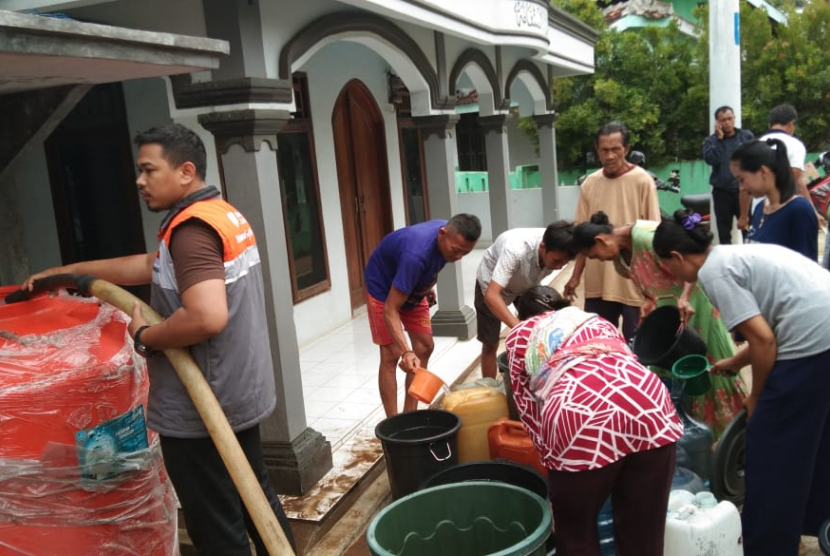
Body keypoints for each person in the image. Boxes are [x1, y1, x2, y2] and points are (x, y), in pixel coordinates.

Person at [23, 124, 294, 556]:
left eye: (149, 170)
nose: (139, 181)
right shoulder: (219, 214)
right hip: (238, 392)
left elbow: (206, 316)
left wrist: (147, 334)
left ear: (185, 171)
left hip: (203, 402)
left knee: (217, 525)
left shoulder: (190, 230)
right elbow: (149, 265)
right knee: (253, 498)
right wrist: (69, 273)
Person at [653, 210, 830, 556]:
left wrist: (756, 398)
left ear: (676, 257)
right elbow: (774, 325)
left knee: (768, 444)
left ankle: (768, 544)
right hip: (823, 334)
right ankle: (811, 521)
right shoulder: (733, 254)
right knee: (814, 437)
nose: (670, 275)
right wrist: (737, 360)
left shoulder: (714, 273)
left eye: (667, 267)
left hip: (812, 344)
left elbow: (765, 341)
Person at [506, 286, 683, 556]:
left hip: (579, 414)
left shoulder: (520, 334)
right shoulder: (594, 320)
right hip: (649, 402)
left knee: (576, 533)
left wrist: (552, 462)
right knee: (644, 533)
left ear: (523, 315)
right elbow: (625, 360)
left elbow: (528, 409)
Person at [571, 212, 747, 437]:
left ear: (601, 241)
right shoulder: (619, 260)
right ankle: (694, 434)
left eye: (594, 255)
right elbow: (650, 283)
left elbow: (691, 260)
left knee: (711, 365)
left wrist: (685, 296)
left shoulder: (646, 237)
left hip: (694, 308)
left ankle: (734, 433)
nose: (600, 260)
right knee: (674, 372)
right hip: (668, 317)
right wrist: (647, 301)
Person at [364, 214, 482, 417]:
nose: (458, 257)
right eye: (456, 251)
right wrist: (405, 352)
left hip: (412, 286)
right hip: (382, 289)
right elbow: (390, 309)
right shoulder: (415, 255)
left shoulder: (447, 237)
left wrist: (426, 284)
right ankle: (393, 424)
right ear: (443, 233)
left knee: (424, 347)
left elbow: (435, 260)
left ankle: (410, 415)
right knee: (391, 354)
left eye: (465, 253)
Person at [564, 121, 661, 342]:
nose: (610, 156)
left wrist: (652, 293)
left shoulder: (642, 181)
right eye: (604, 150)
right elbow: (582, 234)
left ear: (626, 149)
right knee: (598, 344)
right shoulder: (590, 183)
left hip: (633, 284)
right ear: (597, 151)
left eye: (615, 149)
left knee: (636, 348)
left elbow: (653, 235)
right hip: (598, 281)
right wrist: (575, 276)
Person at [475, 222, 575, 380]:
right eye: (557, 261)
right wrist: (520, 328)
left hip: (526, 284)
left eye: (564, 262)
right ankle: (490, 388)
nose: (559, 266)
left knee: (542, 327)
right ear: (543, 247)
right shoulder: (515, 249)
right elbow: (492, 295)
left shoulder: (559, 245)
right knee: (491, 343)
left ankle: (536, 376)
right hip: (490, 287)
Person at [733, 138, 818, 260]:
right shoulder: (760, 208)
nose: (741, 188)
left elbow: (806, 270)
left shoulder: (799, 210)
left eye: (742, 179)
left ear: (763, 171)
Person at [702, 106, 755, 244]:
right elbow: (712, 160)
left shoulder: (746, 136)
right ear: (717, 122)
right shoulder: (711, 141)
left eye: (729, 118)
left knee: (749, 230)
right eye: (723, 120)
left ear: (734, 118)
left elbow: (755, 157)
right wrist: (719, 140)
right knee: (724, 232)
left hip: (743, 191)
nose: (727, 122)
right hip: (722, 193)